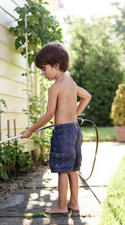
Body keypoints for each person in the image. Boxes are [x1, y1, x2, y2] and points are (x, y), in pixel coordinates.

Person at [20, 43, 91, 214]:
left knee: (62, 171)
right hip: (74, 130)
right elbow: (87, 96)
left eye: (44, 69)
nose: (43, 74)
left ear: (56, 66)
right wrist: (74, 114)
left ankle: (61, 206)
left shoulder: (55, 88)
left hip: (63, 134)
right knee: (73, 169)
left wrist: (31, 130)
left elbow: (49, 114)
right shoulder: (71, 82)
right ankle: (74, 203)